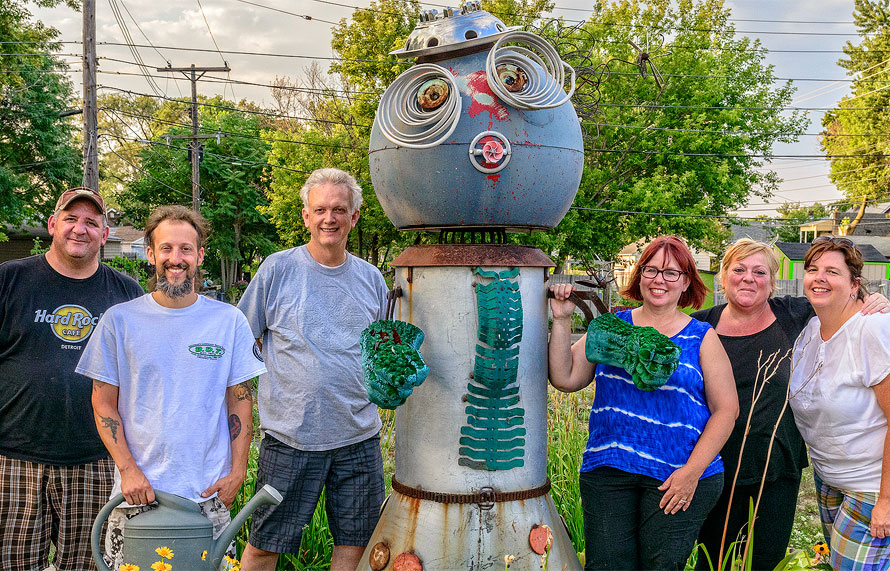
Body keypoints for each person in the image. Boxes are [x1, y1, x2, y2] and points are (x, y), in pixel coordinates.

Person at [76, 205, 266, 570]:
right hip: (136, 498)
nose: (175, 259)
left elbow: (240, 400)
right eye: (166, 249)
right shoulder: (121, 321)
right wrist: (128, 470)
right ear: (150, 253)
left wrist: (238, 472)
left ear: (200, 256)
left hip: (206, 498)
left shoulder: (228, 322)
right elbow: (103, 403)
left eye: (185, 249)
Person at [692, 238, 889, 571]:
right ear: (722, 277)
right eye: (738, 269)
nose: (748, 278)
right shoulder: (698, 327)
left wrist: (872, 297)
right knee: (713, 561)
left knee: (766, 562)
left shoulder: (794, 315)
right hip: (715, 468)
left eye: (760, 272)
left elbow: (842, 300)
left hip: (778, 470)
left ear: (773, 283)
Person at [549, 235, 738, 571]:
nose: (659, 280)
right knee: (607, 565)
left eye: (671, 273)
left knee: (660, 565)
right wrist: (562, 320)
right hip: (609, 469)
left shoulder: (701, 336)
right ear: (638, 276)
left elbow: (727, 411)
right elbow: (565, 378)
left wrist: (690, 474)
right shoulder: (610, 329)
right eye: (651, 270)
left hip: (677, 475)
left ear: (685, 283)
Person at [238, 168, 389, 571]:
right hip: (291, 439)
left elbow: (381, 352)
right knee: (265, 543)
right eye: (320, 209)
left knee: (357, 547)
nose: (329, 218)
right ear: (305, 216)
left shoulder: (372, 279)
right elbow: (241, 340)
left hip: (358, 437)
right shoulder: (276, 269)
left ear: (354, 217)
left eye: (340, 209)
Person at [0, 188, 143, 571]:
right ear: (52, 225)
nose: (80, 229)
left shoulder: (127, 294)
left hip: (94, 457)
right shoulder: (8, 280)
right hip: (13, 456)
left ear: (105, 232)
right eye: (71, 219)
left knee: (87, 565)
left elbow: (140, 376)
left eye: (91, 223)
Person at [788, 236, 890, 571]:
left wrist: (887, 501)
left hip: (871, 484)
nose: (819, 277)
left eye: (832, 271)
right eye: (813, 269)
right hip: (827, 477)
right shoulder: (811, 329)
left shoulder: (872, 329)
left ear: (854, 284)